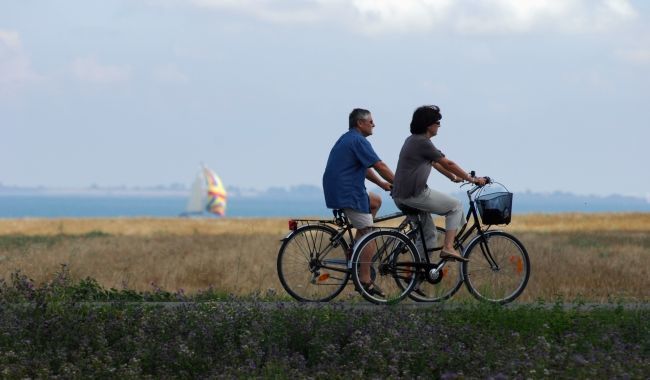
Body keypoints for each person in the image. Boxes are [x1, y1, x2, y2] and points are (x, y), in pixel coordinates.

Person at [391, 105, 487, 262]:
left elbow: (436, 164)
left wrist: (453, 178)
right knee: (455, 206)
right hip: (414, 195)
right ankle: (448, 247)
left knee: (429, 235)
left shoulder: (413, 140)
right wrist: (473, 179)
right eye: (438, 122)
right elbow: (448, 163)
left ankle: (418, 274)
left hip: (401, 196)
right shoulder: (422, 142)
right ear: (429, 125)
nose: (439, 126)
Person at [323, 108, 394, 296]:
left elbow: (364, 166)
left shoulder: (347, 138)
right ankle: (364, 280)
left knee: (375, 201)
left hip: (340, 190)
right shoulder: (358, 140)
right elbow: (379, 165)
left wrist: (381, 183)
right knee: (369, 233)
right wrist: (400, 183)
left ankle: (355, 250)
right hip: (349, 193)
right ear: (360, 123)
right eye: (371, 121)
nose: (374, 124)